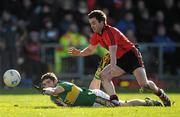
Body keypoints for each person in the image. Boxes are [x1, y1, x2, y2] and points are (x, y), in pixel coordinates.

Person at [68, 10, 171, 106]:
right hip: (119, 58)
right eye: (90, 23)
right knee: (104, 75)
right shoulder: (96, 35)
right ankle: (115, 101)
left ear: (102, 22)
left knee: (144, 84)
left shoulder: (110, 32)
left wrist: (112, 66)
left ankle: (161, 94)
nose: (92, 26)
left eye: (94, 23)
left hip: (131, 56)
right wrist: (79, 53)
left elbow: (112, 51)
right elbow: (90, 49)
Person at [41, 72, 162, 107]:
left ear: (55, 81)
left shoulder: (63, 85)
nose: (46, 85)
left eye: (48, 82)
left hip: (96, 99)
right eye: (44, 84)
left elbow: (55, 91)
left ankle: (149, 102)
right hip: (91, 101)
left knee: (124, 105)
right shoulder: (52, 98)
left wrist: (48, 90)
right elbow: (64, 105)